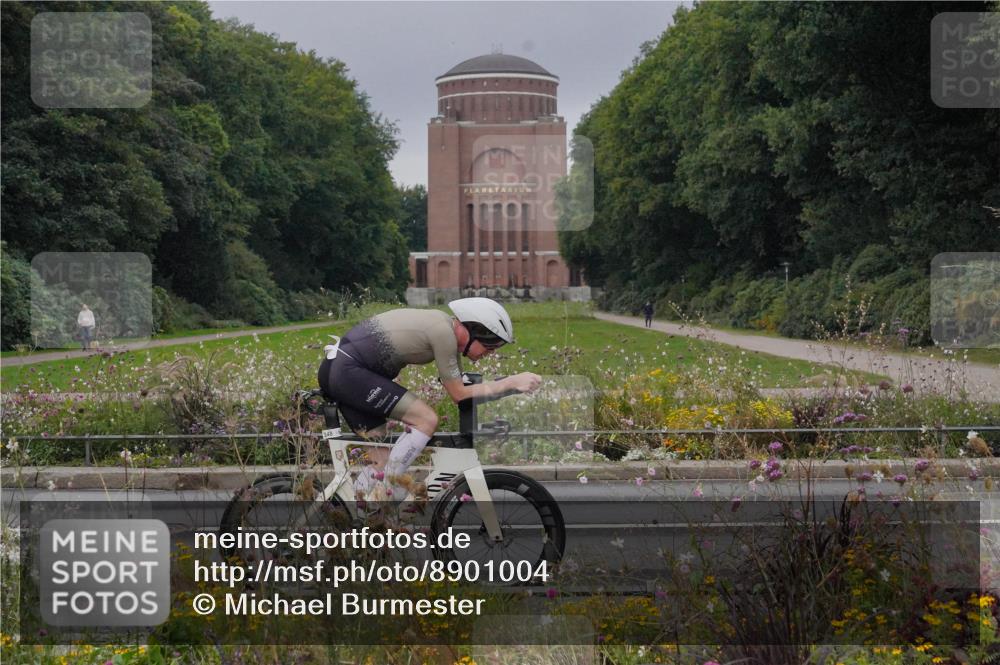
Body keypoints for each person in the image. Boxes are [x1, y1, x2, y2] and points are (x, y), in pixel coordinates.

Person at [317, 298, 541, 505]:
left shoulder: (444, 329)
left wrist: (504, 388)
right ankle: (388, 492)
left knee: (381, 458)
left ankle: (360, 518)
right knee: (426, 419)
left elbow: (462, 387)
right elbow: (459, 394)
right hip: (348, 371)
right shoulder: (443, 333)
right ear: (475, 332)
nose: (489, 354)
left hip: (341, 369)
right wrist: (510, 382)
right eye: (490, 347)